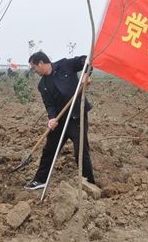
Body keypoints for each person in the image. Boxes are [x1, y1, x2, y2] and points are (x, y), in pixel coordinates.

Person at [24, 51, 95, 190]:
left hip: (76, 117)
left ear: (41, 63)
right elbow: (49, 105)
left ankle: (89, 183)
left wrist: (87, 74)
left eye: (34, 67)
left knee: (81, 151)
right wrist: (51, 118)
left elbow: (86, 60)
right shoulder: (42, 85)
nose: (34, 71)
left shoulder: (65, 65)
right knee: (49, 149)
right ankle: (40, 180)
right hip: (60, 120)